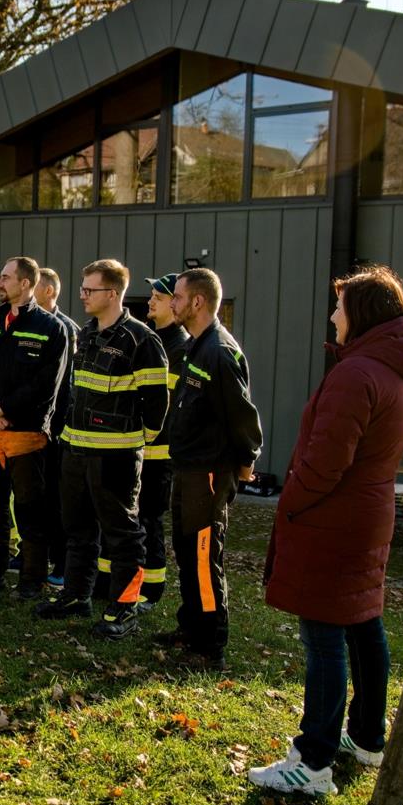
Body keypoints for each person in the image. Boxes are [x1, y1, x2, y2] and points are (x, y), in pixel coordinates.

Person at [250, 265, 403, 796]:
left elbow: (326, 462)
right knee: (363, 623)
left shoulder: (358, 373)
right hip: (367, 515)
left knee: (324, 635)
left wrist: (292, 501)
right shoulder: (396, 368)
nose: (332, 315)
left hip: (333, 519)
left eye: (339, 306)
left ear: (362, 313)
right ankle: (367, 738)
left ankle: (314, 759)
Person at [41, 258, 168, 637]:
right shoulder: (87, 332)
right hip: (75, 451)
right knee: (77, 529)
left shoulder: (142, 340)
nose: (82, 295)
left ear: (112, 294)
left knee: (123, 535)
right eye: (82, 289)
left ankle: (125, 607)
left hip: (115, 457)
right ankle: (77, 595)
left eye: (89, 290)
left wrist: (135, 440)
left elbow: (156, 406)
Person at [151, 268, 263, 670]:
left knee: (202, 557)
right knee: (185, 550)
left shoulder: (218, 350)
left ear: (197, 302)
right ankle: (191, 626)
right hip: (186, 467)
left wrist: (247, 462)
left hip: (210, 473)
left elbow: (242, 416)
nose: (173, 303)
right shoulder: (195, 345)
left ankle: (211, 645)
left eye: (177, 297)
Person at [0, 257, 68, 597]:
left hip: (27, 437)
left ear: (25, 283)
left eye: (6, 277)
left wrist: (6, 408)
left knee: (31, 512)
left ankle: (31, 580)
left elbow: (48, 384)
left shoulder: (51, 328)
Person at [139, 273, 190, 607]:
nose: (150, 302)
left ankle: (153, 587)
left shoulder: (182, 349)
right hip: (140, 450)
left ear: (175, 303)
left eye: (157, 297)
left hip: (161, 456)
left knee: (149, 519)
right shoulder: (154, 341)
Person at [33, 266, 80, 593]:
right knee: (40, 498)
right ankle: (43, 555)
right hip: (35, 428)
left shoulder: (68, 329)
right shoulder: (29, 324)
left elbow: (69, 385)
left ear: (48, 291)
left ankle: (62, 564)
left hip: (60, 430)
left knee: (59, 500)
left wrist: (58, 426)